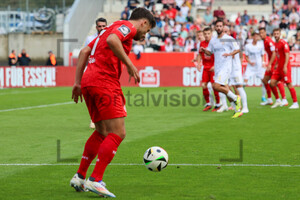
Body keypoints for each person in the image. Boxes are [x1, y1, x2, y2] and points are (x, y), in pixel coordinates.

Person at [70, 7, 156, 197]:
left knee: (102, 132)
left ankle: (80, 176)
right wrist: (129, 63)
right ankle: (95, 179)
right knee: (118, 132)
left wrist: (77, 82)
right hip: (104, 81)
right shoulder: (127, 27)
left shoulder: (109, 28)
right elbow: (112, 40)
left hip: (88, 81)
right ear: (143, 22)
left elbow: (85, 51)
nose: (145, 34)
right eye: (147, 29)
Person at [201, 19, 242, 118]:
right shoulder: (213, 40)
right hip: (218, 68)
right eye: (217, 26)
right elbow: (210, 53)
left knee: (216, 86)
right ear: (215, 27)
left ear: (223, 27)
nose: (219, 28)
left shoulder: (228, 38)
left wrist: (230, 54)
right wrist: (204, 50)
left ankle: (236, 98)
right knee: (225, 89)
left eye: (220, 26)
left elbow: (238, 49)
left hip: (226, 67)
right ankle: (237, 110)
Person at [84, 17, 107, 129]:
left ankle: (104, 119)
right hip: (93, 71)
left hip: (105, 72)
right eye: (100, 26)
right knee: (94, 96)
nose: (102, 28)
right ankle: (94, 119)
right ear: (96, 27)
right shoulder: (90, 39)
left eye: (104, 26)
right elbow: (85, 54)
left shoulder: (110, 38)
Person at [270, 28, 299, 109]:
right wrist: (276, 64)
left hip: (284, 67)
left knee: (289, 84)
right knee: (272, 83)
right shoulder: (275, 43)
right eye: (275, 34)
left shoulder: (284, 43)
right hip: (278, 68)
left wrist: (285, 66)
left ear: (280, 34)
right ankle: (281, 100)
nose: (276, 35)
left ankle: (295, 103)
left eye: (277, 34)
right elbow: (278, 55)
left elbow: (287, 55)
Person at [259, 27, 286, 107]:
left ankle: (282, 99)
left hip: (274, 64)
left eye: (262, 33)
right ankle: (270, 99)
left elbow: (274, 53)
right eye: (260, 33)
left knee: (276, 81)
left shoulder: (269, 41)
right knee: (265, 80)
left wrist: (270, 64)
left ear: (265, 33)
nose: (261, 34)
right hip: (272, 63)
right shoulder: (264, 41)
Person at [224, 26, 249, 114]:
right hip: (228, 69)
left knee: (238, 87)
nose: (225, 33)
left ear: (229, 32)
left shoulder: (231, 41)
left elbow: (237, 51)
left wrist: (231, 54)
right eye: (224, 32)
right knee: (226, 87)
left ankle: (245, 107)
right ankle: (235, 104)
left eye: (226, 31)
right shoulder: (224, 42)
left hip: (235, 69)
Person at [197, 27, 221, 112]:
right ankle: (208, 103)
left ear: (211, 34)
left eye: (208, 34)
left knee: (215, 86)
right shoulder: (202, 43)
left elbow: (219, 55)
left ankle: (218, 104)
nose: (206, 35)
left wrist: (215, 66)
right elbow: (200, 54)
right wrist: (198, 64)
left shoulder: (215, 43)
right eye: (205, 34)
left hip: (213, 68)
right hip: (206, 68)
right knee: (204, 85)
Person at [243, 31, 266, 104]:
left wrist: (263, 62)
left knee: (265, 82)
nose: (256, 37)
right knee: (243, 82)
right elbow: (246, 56)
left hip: (259, 67)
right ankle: (240, 97)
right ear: (252, 37)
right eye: (255, 36)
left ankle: (264, 97)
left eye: (257, 35)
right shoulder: (248, 46)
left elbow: (262, 55)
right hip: (250, 67)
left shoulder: (261, 45)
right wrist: (250, 62)